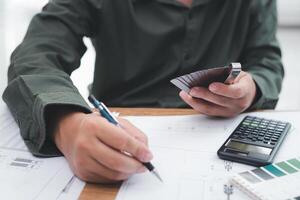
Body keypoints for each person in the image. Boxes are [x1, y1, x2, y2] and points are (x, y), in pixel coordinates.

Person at [2, 0, 283, 183]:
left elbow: (266, 62)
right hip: (115, 132)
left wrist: (252, 88)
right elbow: (36, 56)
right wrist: (66, 123)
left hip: (218, 137)